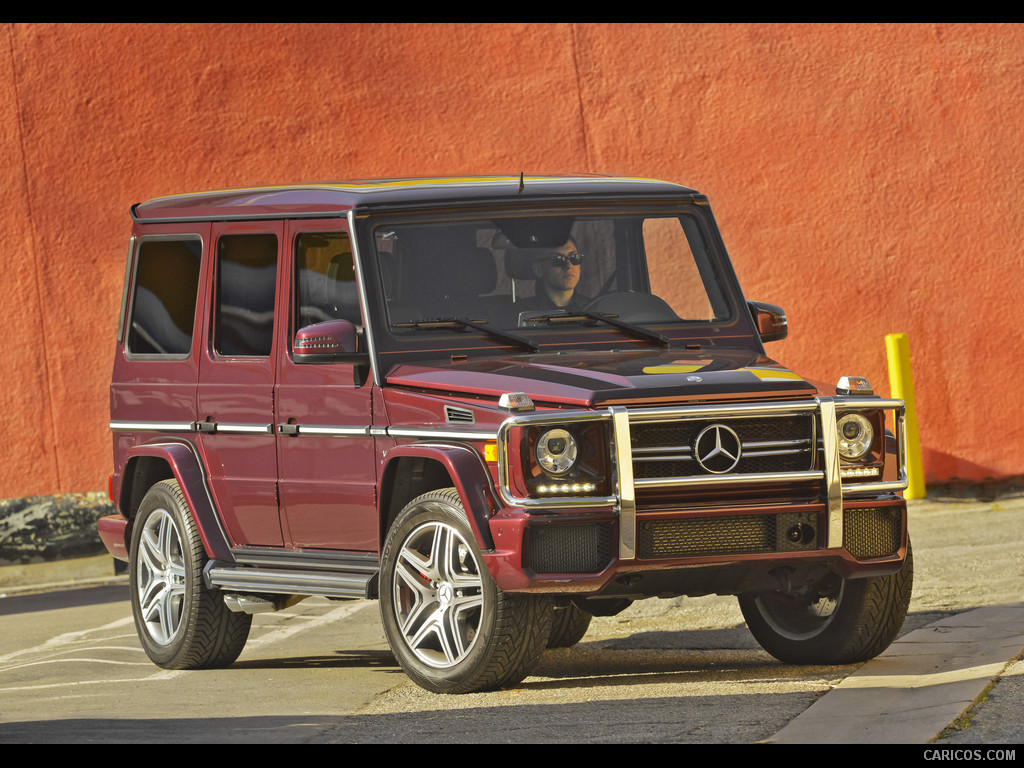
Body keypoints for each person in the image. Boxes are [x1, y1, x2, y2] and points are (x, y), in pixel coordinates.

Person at [518, 237, 592, 312]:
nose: (569, 266)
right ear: (538, 269)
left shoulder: (594, 309)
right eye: (558, 259)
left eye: (574, 257)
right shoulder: (522, 312)